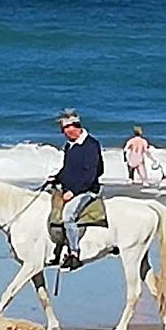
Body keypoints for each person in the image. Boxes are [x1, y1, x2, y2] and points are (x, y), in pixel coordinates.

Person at [49, 109, 103, 269]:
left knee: (68, 216)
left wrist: (74, 191)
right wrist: (56, 178)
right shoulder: (69, 146)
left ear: (76, 127)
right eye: (63, 130)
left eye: (66, 129)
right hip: (68, 189)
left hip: (86, 191)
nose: (65, 133)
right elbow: (67, 169)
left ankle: (74, 254)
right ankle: (57, 250)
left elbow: (92, 172)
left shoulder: (91, 145)